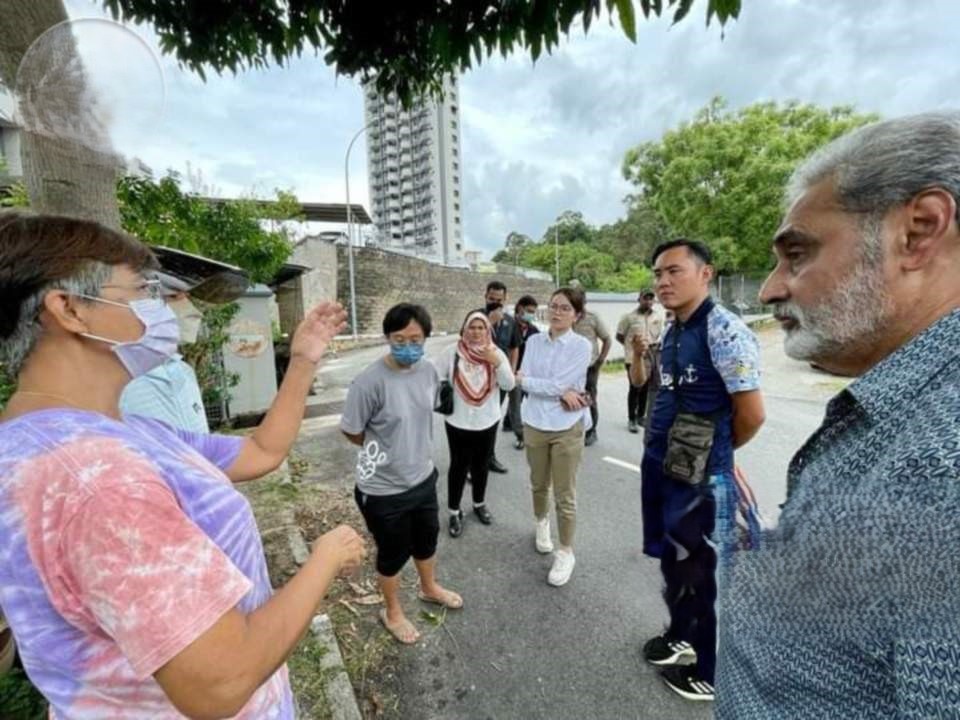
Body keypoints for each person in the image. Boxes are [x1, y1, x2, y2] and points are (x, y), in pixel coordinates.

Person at [0, 213, 366, 719]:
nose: (164, 307)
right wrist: (324, 559)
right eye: (142, 290)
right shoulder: (96, 479)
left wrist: (302, 359)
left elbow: (260, 453)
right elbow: (221, 681)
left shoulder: (116, 432)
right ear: (69, 309)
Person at [716, 112, 960, 718]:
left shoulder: (942, 474)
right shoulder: (901, 409)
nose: (771, 289)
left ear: (920, 231)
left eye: (797, 253)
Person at [639, 239, 765, 702]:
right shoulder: (673, 329)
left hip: (698, 480)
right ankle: (680, 636)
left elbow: (751, 414)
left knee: (699, 572)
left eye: (674, 271)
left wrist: (715, 459)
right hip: (662, 467)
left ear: (705, 273)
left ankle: (709, 671)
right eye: (658, 274)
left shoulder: (724, 330)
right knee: (674, 565)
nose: (663, 281)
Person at [340, 303, 462, 645]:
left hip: (422, 477)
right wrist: (384, 450)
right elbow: (351, 430)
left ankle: (428, 587)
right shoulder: (368, 382)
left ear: (425, 338)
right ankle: (392, 611)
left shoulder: (426, 372)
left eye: (415, 338)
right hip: (382, 489)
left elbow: (427, 408)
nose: (408, 345)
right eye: (399, 338)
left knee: (426, 540)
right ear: (387, 338)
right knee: (393, 554)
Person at [516, 288, 592, 587]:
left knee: (565, 493)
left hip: (567, 426)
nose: (556, 312)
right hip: (534, 422)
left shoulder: (581, 346)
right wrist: (557, 389)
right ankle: (541, 523)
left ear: (577, 314)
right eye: (553, 306)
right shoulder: (533, 341)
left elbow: (556, 382)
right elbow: (525, 379)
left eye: (564, 308)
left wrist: (538, 383)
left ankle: (566, 551)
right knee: (538, 483)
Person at [435, 310, 515, 537]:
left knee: (481, 466)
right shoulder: (451, 353)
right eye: (472, 327)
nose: (477, 332)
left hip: (487, 420)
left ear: (488, 330)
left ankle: (479, 504)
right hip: (457, 421)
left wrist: (497, 363)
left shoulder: (496, 353)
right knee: (458, 467)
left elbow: (509, 385)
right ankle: (453, 511)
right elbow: (435, 377)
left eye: (481, 327)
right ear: (464, 329)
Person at [119, 272, 210, 433]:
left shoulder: (184, 371)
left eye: (187, 298)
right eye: (174, 296)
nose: (194, 311)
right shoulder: (118, 380)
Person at [483, 280, 521, 473]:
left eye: (499, 300)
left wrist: (511, 373)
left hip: (500, 379)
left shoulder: (510, 321)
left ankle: (489, 457)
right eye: (491, 299)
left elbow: (514, 348)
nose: (495, 303)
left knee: (493, 418)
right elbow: (465, 342)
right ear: (485, 297)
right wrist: (489, 322)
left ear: (505, 299)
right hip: (477, 380)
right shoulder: (476, 317)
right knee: (477, 421)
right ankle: (473, 463)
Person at [616, 289, 664, 433]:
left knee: (646, 388)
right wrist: (631, 348)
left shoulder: (657, 317)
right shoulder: (629, 318)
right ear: (639, 299)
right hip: (633, 358)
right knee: (635, 387)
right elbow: (619, 336)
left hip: (650, 356)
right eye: (645, 298)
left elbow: (657, 335)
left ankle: (640, 416)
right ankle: (631, 419)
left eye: (651, 299)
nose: (648, 301)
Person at [571, 289, 611, 446]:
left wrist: (600, 361)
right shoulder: (570, 317)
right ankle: (575, 427)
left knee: (589, 398)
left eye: (581, 301)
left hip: (589, 367)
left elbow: (607, 339)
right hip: (571, 367)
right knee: (572, 396)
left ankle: (591, 431)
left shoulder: (593, 318)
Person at [507, 295, 540, 450]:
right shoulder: (508, 325)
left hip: (528, 375)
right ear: (520, 308)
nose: (531, 314)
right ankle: (519, 434)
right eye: (529, 311)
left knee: (531, 402)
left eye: (533, 312)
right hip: (510, 372)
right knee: (515, 405)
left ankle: (521, 430)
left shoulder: (534, 331)